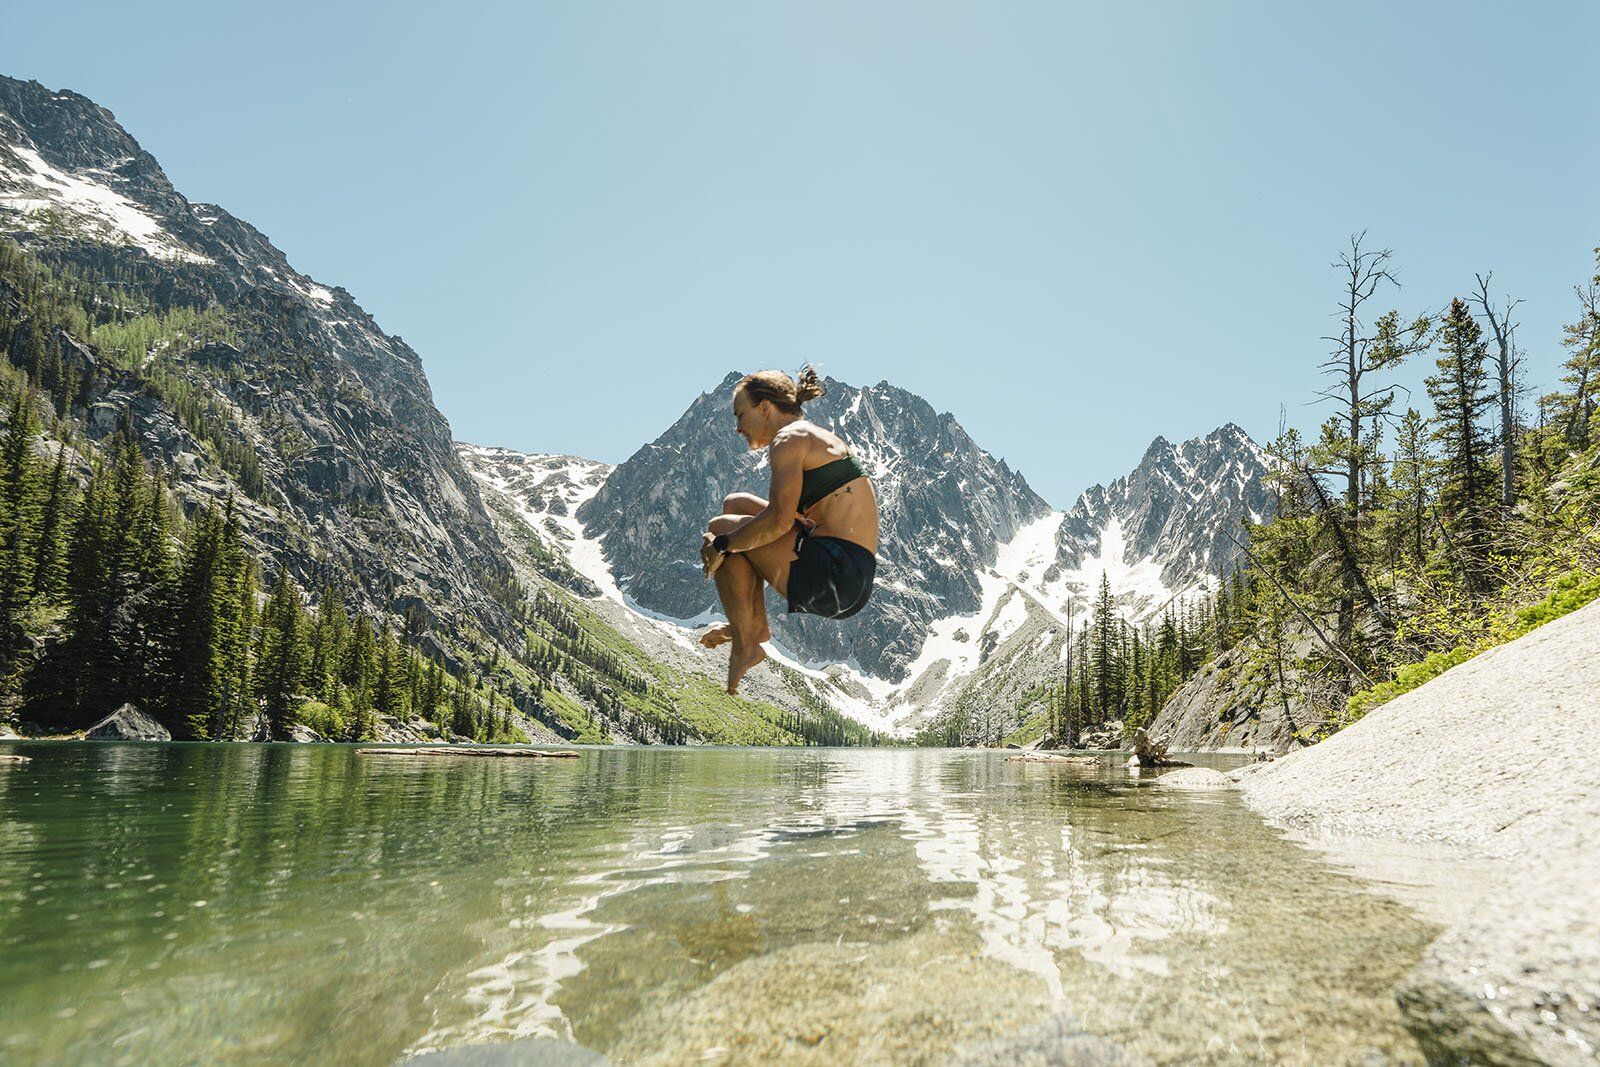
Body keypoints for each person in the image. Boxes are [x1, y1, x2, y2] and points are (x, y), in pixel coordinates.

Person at [698, 366, 879, 694]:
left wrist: (723, 544)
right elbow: (792, 516)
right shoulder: (811, 436)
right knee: (735, 505)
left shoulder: (788, 438)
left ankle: (746, 640)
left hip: (837, 576)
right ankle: (753, 628)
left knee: (721, 528)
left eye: (741, 415)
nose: (738, 427)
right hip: (850, 573)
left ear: (765, 408)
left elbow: (779, 520)